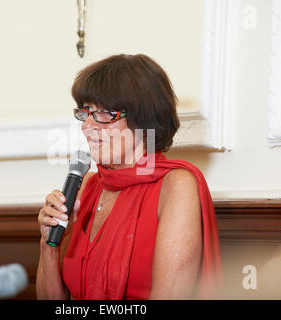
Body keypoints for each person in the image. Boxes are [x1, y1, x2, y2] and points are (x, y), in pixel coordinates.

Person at [37, 54, 222, 300]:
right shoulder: (86, 188)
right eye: (86, 112)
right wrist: (48, 243)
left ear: (143, 119)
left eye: (103, 112)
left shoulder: (177, 187)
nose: (86, 125)